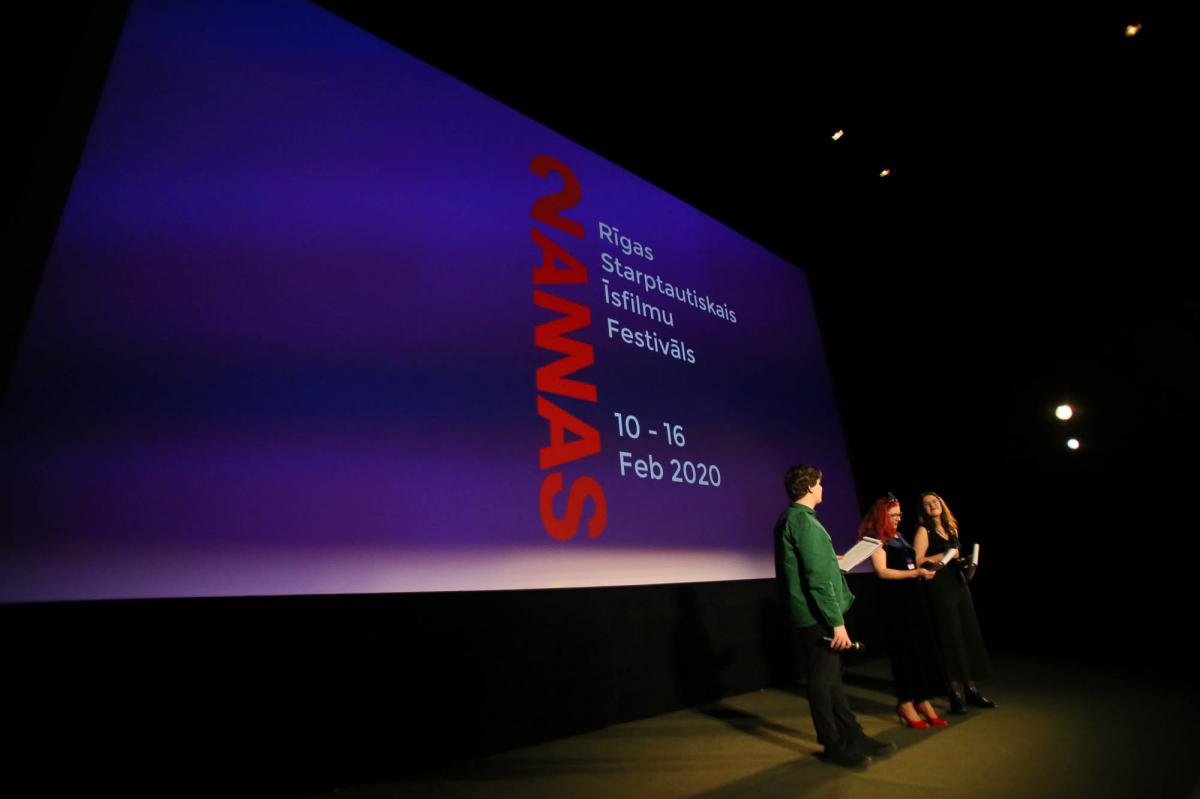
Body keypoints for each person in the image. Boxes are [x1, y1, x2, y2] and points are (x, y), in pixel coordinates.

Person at [774, 465, 895, 768]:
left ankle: (852, 735)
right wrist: (837, 624)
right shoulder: (804, 522)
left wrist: (832, 559)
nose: (822, 488)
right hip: (816, 616)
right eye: (820, 483)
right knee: (822, 680)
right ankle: (832, 743)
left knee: (831, 680)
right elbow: (817, 579)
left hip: (813, 613)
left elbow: (811, 565)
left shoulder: (794, 519)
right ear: (810, 486)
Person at [858, 495, 947, 728]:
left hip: (913, 599)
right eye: (893, 515)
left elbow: (911, 564)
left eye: (899, 514)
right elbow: (882, 571)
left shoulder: (899, 536)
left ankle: (922, 700)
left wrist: (926, 569)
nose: (898, 518)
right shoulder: (876, 538)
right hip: (895, 604)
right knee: (903, 653)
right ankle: (905, 703)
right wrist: (914, 573)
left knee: (920, 651)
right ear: (882, 516)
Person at [913, 491, 996, 713]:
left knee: (967, 634)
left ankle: (971, 689)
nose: (932, 505)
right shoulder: (924, 531)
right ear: (923, 510)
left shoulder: (951, 528)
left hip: (958, 585)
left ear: (941, 503)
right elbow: (917, 560)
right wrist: (942, 556)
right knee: (950, 637)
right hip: (939, 588)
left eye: (934, 501)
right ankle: (955, 691)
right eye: (927, 504)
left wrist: (965, 562)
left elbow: (954, 556)